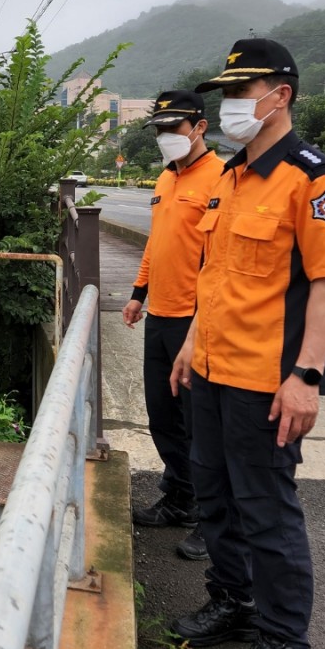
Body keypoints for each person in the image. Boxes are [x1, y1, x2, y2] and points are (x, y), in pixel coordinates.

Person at [167, 37, 325, 649]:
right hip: (212, 369)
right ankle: (234, 601)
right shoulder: (230, 178)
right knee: (215, 496)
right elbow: (215, 276)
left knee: (267, 512)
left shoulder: (316, 180)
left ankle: (283, 642)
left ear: (280, 96)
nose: (229, 105)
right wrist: (191, 343)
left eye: (240, 93)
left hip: (267, 382)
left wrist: (306, 378)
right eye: (224, 94)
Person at [122, 89, 223, 562]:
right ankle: (180, 497)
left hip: (195, 318)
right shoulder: (166, 178)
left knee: (200, 423)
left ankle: (212, 518)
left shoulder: (221, 177)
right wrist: (138, 293)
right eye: (159, 129)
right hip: (160, 315)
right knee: (163, 416)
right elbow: (156, 242)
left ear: (199, 127)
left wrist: (204, 317)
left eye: (173, 128)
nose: (165, 136)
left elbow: (220, 257)